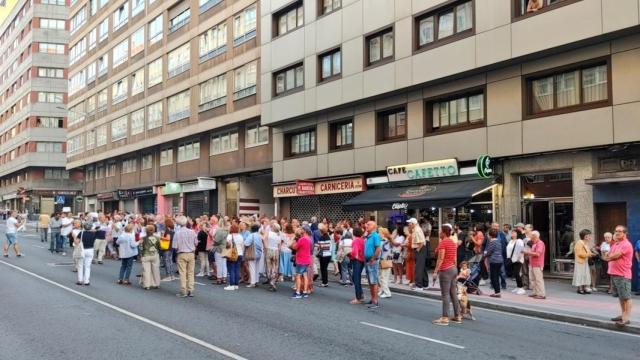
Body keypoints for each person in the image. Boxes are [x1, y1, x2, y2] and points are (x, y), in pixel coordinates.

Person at [604, 225, 634, 326]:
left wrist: (609, 256)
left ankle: (626, 318)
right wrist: (609, 256)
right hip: (614, 274)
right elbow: (607, 254)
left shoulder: (626, 244)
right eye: (616, 231)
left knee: (626, 297)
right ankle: (622, 314)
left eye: (620, 231)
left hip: (623, 275)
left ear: (625, 234)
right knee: (621, 297)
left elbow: (615, 256)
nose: (617, 233)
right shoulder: (616, 244)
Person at [432, 224, 461, 326]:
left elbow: (441, 258)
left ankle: (445, 318)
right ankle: (457, 315)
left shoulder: (443, 243)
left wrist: (435, 271)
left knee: (445, 294)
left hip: (445, 270)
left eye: (440, 231)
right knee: (453, 293)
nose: (439, 233)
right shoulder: (453, 243)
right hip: (453, 268)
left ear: (444, 232)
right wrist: (456, 269)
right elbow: (454, 258)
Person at [173, 215, 199, 298]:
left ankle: (183, 291)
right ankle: (190, 290)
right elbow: (196, 243)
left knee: (182, 273)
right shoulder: (192, 232)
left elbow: (175, 246)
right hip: (191, 253)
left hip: (182, 253)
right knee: (191, 273)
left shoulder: (177, 233)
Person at [364, 221, 382, 309]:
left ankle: (375, 301)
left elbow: (378, 248)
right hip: (368, 260)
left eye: (368, 224)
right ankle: (372, 299)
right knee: (370, 281)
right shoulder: (369, 235)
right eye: (366, 224)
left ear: (374, 227)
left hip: (372, 261)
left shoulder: (375, 235)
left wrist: (373, 258)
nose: (366, 226)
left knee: (373, 281)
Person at [291, 226, 312, 299]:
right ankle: (305, 292)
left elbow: (295, 247)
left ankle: (298, 292)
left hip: (301, 260)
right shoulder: (308, 239)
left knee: (298, 276)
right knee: (305, 276)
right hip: (307, 260)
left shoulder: (302, 239)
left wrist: (293, 243)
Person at [523, 230, 546, 299]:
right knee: (532, 279)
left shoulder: (540, 243)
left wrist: (527, 252)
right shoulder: (534, 243)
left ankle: (541, 294)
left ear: (535, 236)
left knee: (538, 279)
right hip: (532, 264)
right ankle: (535, 292)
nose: (530, 238)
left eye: (531, 236)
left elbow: (537, 254)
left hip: (537, 264)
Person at [408, 218, 429, 290]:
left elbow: (422, 242)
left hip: (420, 249)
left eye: (409, 223)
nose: (408, 225)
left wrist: (417, 250)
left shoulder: (417, 230)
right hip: (421, 249)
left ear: (413, 224)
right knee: (422, 267)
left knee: (419, 268)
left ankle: (419, 285)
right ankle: (425, 284)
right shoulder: (416, 229)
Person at [75, 222, 96, 286]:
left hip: (82, 250)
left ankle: (80, 280)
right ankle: (86, 281)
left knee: (80, 265)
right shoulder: (93, 234)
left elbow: (77, 242)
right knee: (87, 266)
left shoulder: (81, 233)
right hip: (90, 249)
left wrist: (75, 239)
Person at [224, 224, 245, 291]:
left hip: (232, 254)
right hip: (240, 254)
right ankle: (236, 285)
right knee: (237, 269)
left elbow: (227, 246)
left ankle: (231, 284)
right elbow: (242, 246)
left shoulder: (229, 236)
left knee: (231, 269)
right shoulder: (240, 236)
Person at [484, 228, 504, 297]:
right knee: (496, 276)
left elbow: (488, 252)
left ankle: (497, 292)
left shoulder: (492, 242)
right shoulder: (498, 241)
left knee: (493, 277)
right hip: (499, 260)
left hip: (494, 260)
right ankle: (497, 291)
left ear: (490, 235)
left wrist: (484, 254)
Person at [140, 225, 161, 290]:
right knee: (156, 270)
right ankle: (156, 284)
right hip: (155, 255)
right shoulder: (157, 238)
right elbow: (159, 246)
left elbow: (140, 248)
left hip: (146, 255)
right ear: (154, 230)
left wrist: (141, 255)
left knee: (146, 270)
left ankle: (147, 285)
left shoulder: (143, 238)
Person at [572, 229, 593, 295]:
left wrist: (591, 253)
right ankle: (580, 289)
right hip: (580, 262)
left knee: (584, 274)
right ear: (585, 236)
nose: (590, 237)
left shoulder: (585, 243)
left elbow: (588, 252)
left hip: (584, 261)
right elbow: (579, 254)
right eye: (589, 235)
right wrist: (589, 254)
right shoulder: (579, 243)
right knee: (580, 274)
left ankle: (584, 288)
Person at [506, 230, 526, 295]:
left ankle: (521, 288)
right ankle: (518, 287)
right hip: (511, 260)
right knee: (515, 274)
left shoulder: (519, 241)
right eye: (512, 232)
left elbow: (520, 250)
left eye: (514, 232)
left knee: (517, 273)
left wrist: (518, 258)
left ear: (517, 234)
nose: (512, 233)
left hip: (517, 260)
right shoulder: (511, 241)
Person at [349, 227, 366, 304]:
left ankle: (358, 298)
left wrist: (349, 254)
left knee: (356, 278)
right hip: (362, 260)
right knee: (356, 277)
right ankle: (361, 294)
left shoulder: (355, 240)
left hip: (357, 260)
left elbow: (354, 252)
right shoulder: (362, 240)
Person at [264, 223, 281, 291]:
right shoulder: (279, 235)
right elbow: (279, 246)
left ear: (273, 227)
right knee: (275, 267)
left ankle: (270, 280)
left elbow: (264, 239)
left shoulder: (269, 233)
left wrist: (266, 247)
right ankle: (273, 282)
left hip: (269, 250)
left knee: (269, 266)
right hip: (276, 251)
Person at [213, 218, 229, 285]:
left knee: (219, 264)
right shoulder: (227, 230)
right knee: (224, 264)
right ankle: (224, 278)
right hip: (225, 248)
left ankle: (219, 278)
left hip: (219, 248)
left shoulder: (219, 230)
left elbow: (216, 240)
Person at [316, 223, 332, 287]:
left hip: (323, 255)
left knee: (323, 269)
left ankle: (324, 282)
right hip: (328, 254)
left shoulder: (321, 237)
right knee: (325, 268)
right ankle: (325, 281)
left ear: (321, 231)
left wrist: (317, 245)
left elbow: (322, 246)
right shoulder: (328, 236)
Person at [378, 228, 393, 298]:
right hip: (387, 260)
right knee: (383, 277)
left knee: (383, 277)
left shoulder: (383, 242)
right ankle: (382, 290)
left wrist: (380, 259)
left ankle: (387, 292)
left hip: (383, 261)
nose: (378, 234)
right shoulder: (388, 241)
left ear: (383, 234)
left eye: (379, 233)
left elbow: (382, 252)